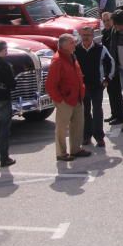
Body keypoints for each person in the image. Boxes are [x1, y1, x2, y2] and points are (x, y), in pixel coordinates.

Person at [45, 34, 91, 162]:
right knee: (62, 127)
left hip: (77, 97)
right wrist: (60, 100)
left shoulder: (71, 56)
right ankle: (61, 153)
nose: (74, 44)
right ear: (64, 45)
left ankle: (76, 149)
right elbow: (50, 85)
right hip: (65, 100)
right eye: (72, 43)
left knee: (78, 124)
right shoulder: (58, 60)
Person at [75, 26, 115, 148]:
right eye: (83, 35)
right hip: (82, 87)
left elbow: (111, 63)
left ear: (93, 36)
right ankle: (86, 136)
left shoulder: (101, 49)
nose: (85, 37)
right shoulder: (76, 50)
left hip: (97, 86)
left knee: (97, 111)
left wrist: (107, 79)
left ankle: (99, 137)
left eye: (88, 35)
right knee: (85, 112)